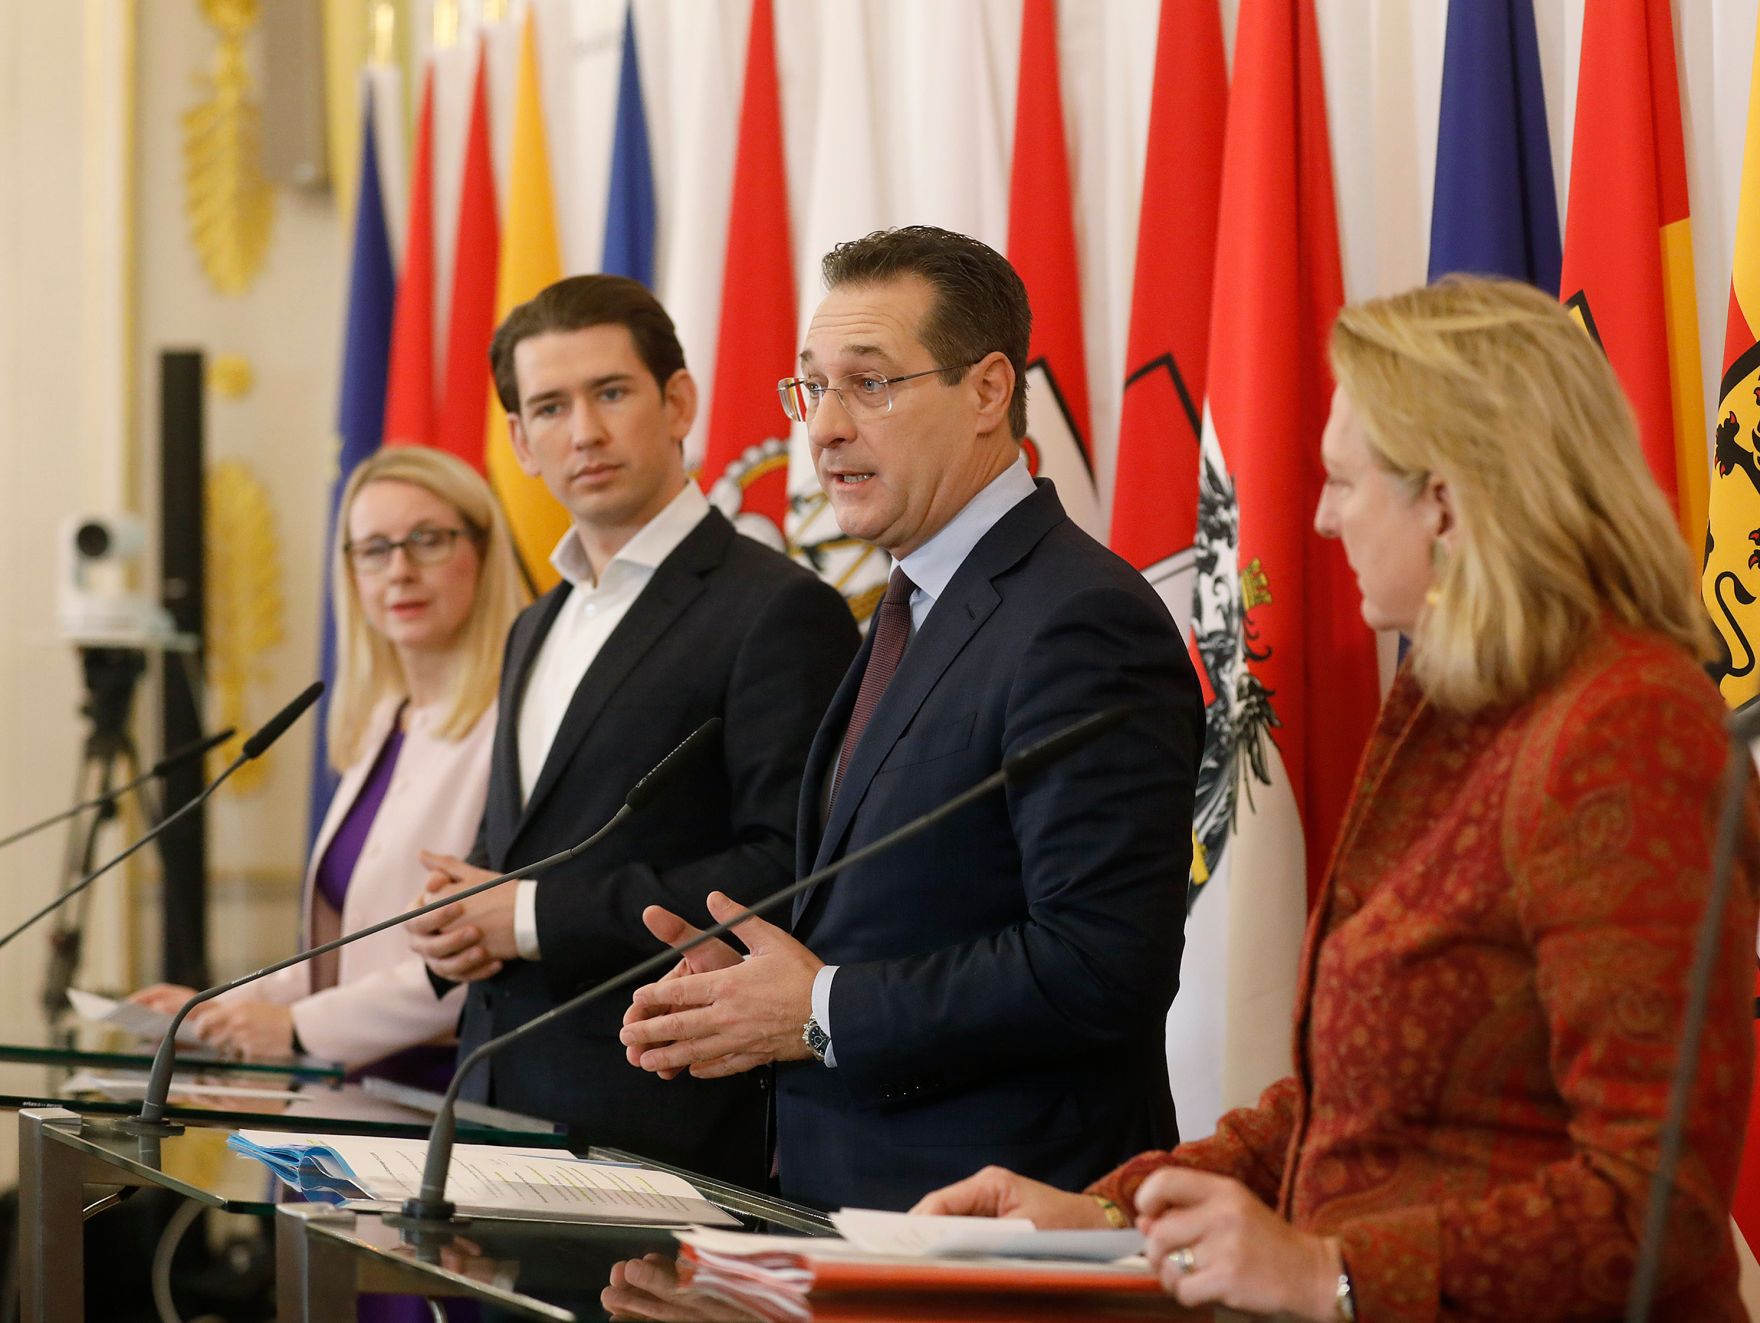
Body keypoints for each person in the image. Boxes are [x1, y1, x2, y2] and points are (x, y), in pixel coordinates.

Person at [914, 277, 1759, 1321]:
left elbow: (1655, 1206)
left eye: (1343, 482)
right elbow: (1347, 1109)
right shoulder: (1456, 712)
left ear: (1443, 501)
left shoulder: (1627, 729)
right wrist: (1100, 1214)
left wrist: (1328, 1274)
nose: (1318, 517)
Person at [619, 226, 1204, 1211]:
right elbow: (920, 901)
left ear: (987, 391)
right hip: (855, 1202)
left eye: (870, 384)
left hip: (1002, 1220)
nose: (824, 428)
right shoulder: (914, 605)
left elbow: (1100, 964)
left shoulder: (1080, 620)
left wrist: (818, 1007)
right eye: (812, 388)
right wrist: (756, 984)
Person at [406, 274, 858, 1187]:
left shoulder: (778, 608)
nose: (584, 432)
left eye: (610, 392)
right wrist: (464, 919)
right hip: (492, 1104)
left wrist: (527, 916)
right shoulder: (534, 623)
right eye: (550, 407)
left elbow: (791, 869)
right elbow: (530, 845)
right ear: (519, 442)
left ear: (678, 401)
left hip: (663, 1125)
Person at [134, 446, 528, 1083]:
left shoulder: (515, 729)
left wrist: (296, 1028)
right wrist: (216, 1007)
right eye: (373, 549)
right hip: (346, 1086)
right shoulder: (382, 723)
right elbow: (345, 953)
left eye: (427, 540)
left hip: (444, 1089)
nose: (399, 571)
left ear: (483, 551)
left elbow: (475, 953)